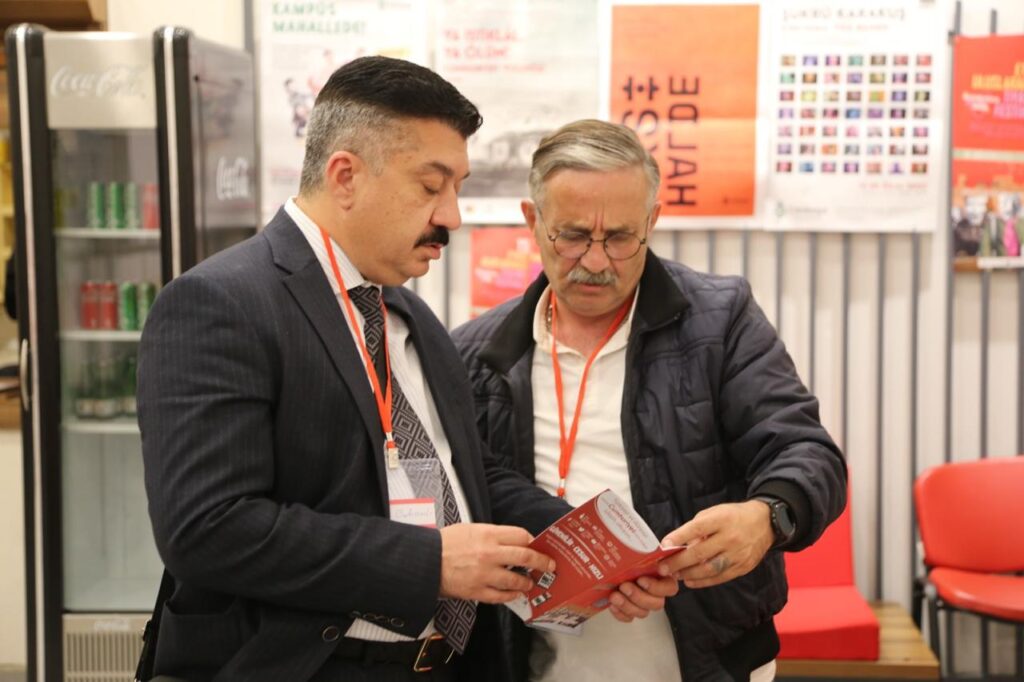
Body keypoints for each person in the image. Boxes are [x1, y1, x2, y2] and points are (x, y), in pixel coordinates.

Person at [137, 61, 676, 682]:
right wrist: (429, 563)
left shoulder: (407, 315)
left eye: (457, 188)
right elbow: (207, 528)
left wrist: (596, 550)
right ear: (345, 177)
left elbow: (459, 473)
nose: (452, 216)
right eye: (430, 186)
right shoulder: (221, 303)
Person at [452, 119, 847, 682]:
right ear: (533, 221)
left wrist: (766, 518)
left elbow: (807, 452)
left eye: (619, 238)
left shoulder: (720, 320)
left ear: (652, 222)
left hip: (709, 663)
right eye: (572, 236)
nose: (595, 261)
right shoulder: (474, 353)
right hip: (539, 666)